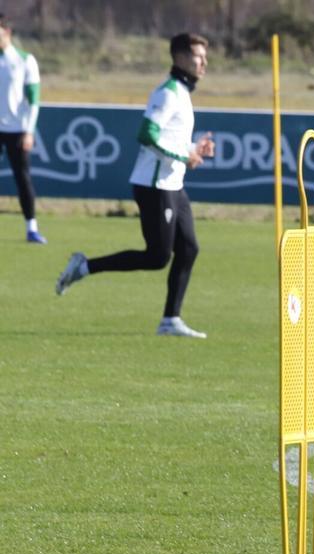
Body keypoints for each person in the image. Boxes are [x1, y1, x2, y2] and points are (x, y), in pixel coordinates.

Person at [54, 33, 216, 338]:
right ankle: (84, 267)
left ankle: (170, 320)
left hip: (173, 184)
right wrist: (185, 155)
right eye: (199, 56)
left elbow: (168, 139)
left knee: (189, 248)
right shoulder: (168, 93)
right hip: (154, 186)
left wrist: (194, 149)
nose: (205, 63)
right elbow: (146, 134)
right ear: (180, 58)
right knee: (157, 257)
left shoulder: (182, 92)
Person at [0, 12, 45, 244]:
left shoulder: (25, 60)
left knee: (22, 178)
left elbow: (34, 99)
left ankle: (32, 228)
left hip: (17, 130)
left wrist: (29, 130)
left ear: (6, 31)